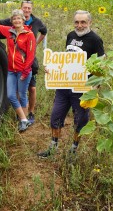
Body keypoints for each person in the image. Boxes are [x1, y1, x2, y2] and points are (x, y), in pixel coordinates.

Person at [38, 10, 105, 158]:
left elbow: (102, 65)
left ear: (90, 23)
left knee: (80, 120)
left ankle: (73, 150)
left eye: (83, 22)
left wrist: (94, 87)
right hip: (63, 87)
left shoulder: (95, 40)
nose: (79, 25)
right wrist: (53, 69)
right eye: (77, 22)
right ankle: (53, 147)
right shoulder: (70, 35)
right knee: (55, 117)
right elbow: (65, 60)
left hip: (82, 89)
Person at [0, 9, 36, 132]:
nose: (16, 20)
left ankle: (23, 120)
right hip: (11, 70)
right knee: (11, 95)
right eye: (14, 19)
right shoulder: (9, 32)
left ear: (23, 20)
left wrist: (26, 72)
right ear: (11, 21)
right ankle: (24, 120)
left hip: (23, 71)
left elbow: (31, 55)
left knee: (22, 95)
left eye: (19, 18)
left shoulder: (29, 34)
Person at [0, 0, 47, 126]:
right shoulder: (11, 24)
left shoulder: (36, 23)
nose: (27, 10)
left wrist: (35, 45)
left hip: (28, 64)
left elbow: (44, 32)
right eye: (25, 7)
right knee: (15, 93)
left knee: (31, 88)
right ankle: (23, 118)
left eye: (29, 8)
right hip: (13, 67)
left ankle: (29, 114)